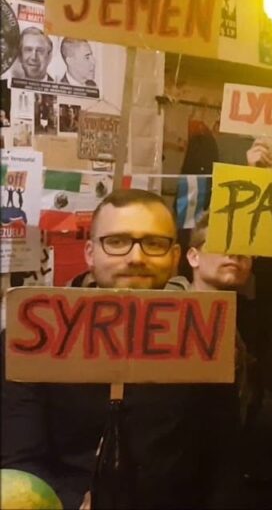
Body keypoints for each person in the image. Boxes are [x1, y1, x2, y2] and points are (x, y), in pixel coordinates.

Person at [1, 189, 240, 509]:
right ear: (90, 252)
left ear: (175, 255)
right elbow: (20, 460)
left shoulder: (206, 336)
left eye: (154, 243)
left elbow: (223, 461)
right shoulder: (33, 335)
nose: (136, 257)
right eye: (116, 241)